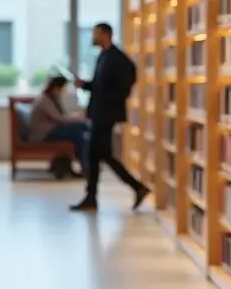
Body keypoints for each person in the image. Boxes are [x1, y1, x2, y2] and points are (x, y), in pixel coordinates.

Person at [70, 22, 150, 212]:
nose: (93, 37)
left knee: (99, 154)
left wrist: (108, 97)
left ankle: (136, 187)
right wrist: (85, 85)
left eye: (96, 33)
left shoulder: (118, 58)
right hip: (99, 112)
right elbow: (100, 86)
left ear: (105, 34)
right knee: (96, 155)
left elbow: (122, 87)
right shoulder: (103, 56)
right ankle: (93, 196)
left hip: (106, 114)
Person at [29, 75, 90, 171]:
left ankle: (87, 163)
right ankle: (86, 165)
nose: (64, 91)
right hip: (44, 133)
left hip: (53, 129)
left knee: (80, 129)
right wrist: (77, 119)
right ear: (56, 87)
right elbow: (60, 119)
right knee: (77, 132)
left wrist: (77, 118)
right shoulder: (45, 100)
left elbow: (63, 116)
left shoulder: (53, 98)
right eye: (63, 88)